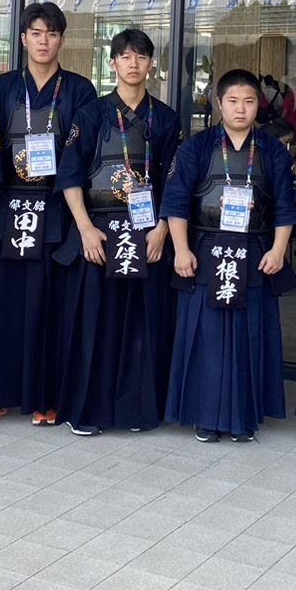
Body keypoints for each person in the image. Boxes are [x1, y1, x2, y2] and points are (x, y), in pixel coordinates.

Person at [0, 2, 96, 426]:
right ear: (23, 39)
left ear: (62, 40)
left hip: (55, 207)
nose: (44, 41)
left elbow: (81, 155)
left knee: (50, 306)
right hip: (7, 206)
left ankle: (47, 397)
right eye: (36, 33)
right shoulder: (0, 87)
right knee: (0, 305)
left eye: (52, 34)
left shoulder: (79, 90)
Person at [55, 28, 182, 435]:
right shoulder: (91, 114)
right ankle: (88, 412)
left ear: (151, 65)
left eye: (141, 57)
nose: (133, 63)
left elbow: (176, 184)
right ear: (112, 64)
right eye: (125, 56)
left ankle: (137, 412)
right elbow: (71, 177)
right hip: (101, 234)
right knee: (96, 325)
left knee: (143, 325)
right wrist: (85, 229)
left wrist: (162, 230)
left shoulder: (166, 118)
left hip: (148, 233)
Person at [163, 69, 296, 442]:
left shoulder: (272, 150)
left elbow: (285, 208)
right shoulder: (196, 147)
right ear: (219, 104)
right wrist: (181, 250)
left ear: (259, 105)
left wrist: (278, 250)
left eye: (249, 101)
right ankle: (204, 416)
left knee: (248, 338)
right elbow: (176, 203)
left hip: (254, 251)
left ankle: (243, 419)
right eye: (233, 101)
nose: (241, 109)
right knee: (205, 337)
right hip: (205, 249)